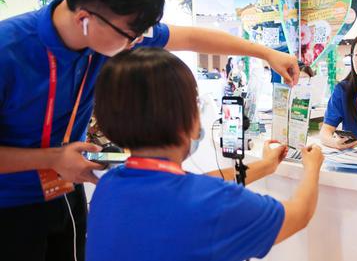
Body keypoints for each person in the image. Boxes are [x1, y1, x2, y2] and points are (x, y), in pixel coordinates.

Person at [0, 0, 299, 261]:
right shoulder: (8, 51)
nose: (136, 43)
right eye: (131, 35)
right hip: (9, 205)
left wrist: (265, 53)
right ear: (84, 18)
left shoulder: (110, 30)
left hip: (66, 193)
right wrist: (52, 159)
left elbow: (190, 37)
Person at [86, 48, 324, 261]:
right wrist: (312, 168)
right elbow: (299, 213)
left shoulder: (109, 185)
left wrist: (266, 166)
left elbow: (203, 184)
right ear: (188, 117)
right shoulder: (214, 203)